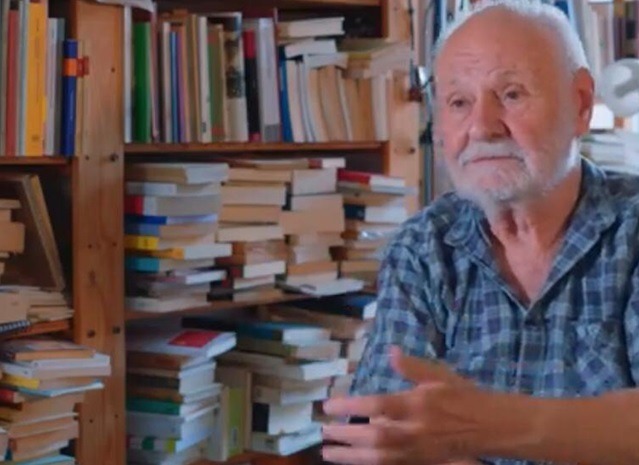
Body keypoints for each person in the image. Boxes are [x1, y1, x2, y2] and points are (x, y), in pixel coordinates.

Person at [320, 1, 639, 464]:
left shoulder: (632, 231)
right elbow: (389, 436)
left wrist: (486, 426)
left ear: (581, 104)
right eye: (458, 102)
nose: (482, 128)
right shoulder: (423, 248)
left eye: (511, 94)